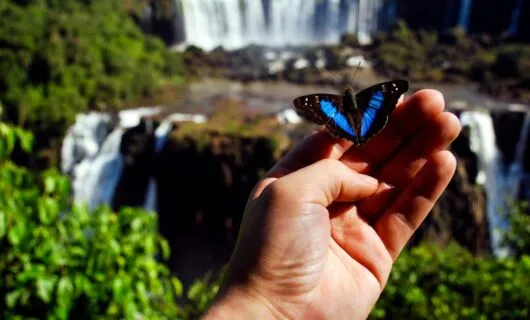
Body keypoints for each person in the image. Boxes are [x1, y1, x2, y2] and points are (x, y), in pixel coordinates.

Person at [203, 90, 461, 319]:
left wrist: (267, 303)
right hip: (365, 125)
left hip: (346, 127)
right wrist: (270, 302)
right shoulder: (367, 98)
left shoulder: (329, 103)